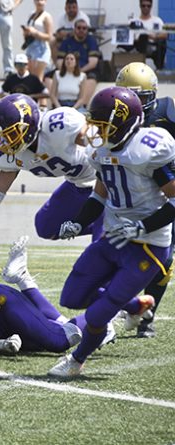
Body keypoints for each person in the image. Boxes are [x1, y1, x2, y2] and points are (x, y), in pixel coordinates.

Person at [49, 86, 175, 378]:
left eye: (104, 125)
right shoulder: (102, 151)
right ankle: (135, 306)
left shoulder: (146, 151)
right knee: (72, 296)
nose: (97, 131)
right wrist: (79, 222)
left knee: (96, 315)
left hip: (147, 245)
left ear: (125, 123)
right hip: (115, 236)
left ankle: (76, 361)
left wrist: (143, 225)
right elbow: (100, 194)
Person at [0, 94, 101, 252]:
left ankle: (107, 224)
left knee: (99, 251)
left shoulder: (58, 126)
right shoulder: (11, 153)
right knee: (46, 226)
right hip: (78, 183)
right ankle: (98, 223)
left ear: (29, 124)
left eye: (11, 134)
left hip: (104, 181)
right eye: (2, 137)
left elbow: (100, 142)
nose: (5, 143)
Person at [116, 62, 175, 338]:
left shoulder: (166, 113)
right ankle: (118, 305)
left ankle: (146, 318)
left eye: (139, 97)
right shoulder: (115, 117)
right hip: (130, 191)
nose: (132, 105)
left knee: (164, 260)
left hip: (164, 189)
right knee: (114, 253)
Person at [57, 18, 99, 105]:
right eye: (79, 28)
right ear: (74, 29)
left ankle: (83, 105)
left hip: (86, 70)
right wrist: (68, 71)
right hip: (67, 69)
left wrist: (78, 71)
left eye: (84, 28)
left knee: (92, 79)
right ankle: (55, 104)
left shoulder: (91, 41)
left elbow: (93, 63)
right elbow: (59, 61)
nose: (81, 30)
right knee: (48, 77)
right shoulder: (66, 41)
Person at [129, 0, 167, 69]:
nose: (146, 8)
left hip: (152, 46)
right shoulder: (134, 21)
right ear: (140, 6)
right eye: (143, 6)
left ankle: (160, 68)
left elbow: (165, 34)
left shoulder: (157, 20)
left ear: (151, 6)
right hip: (137, 46)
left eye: (148, 6)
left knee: (161, 43)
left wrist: (153, 37)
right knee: (142, 37)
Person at [21, 0, 53, 81]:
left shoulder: (46, 16)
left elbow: (49, 36)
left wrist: (35, 33)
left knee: (37, 79)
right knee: (29, 77)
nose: (39, 2)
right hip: (31, 47)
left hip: (41, 49)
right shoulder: (31, 14)